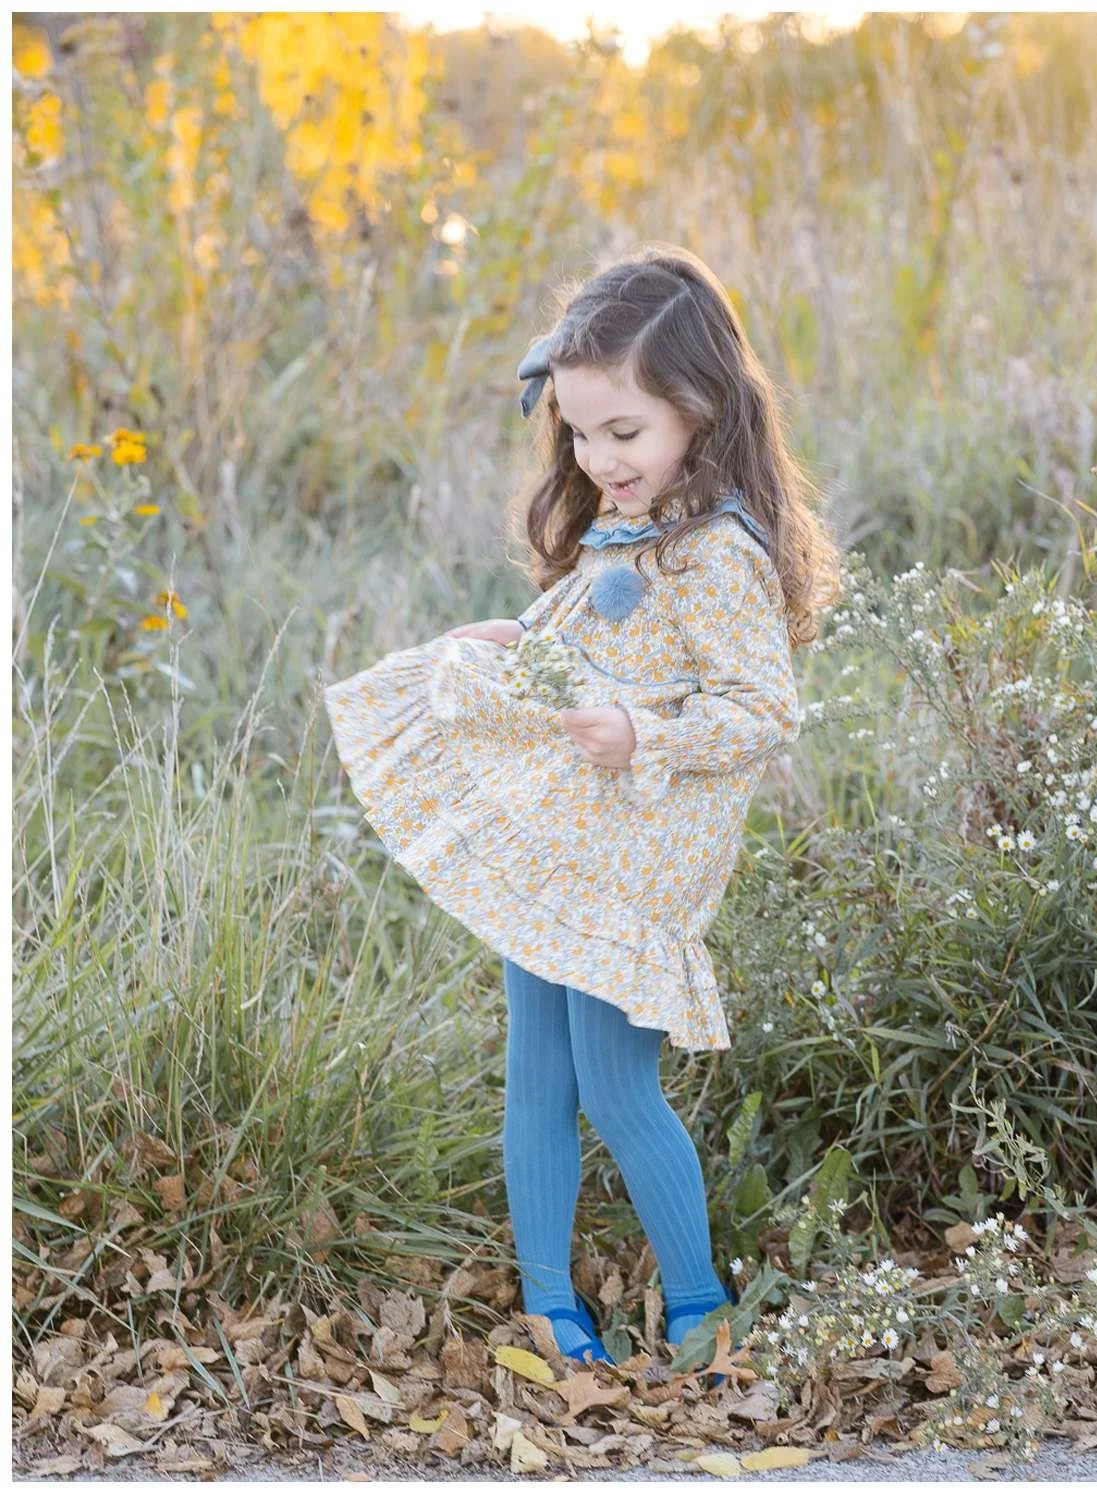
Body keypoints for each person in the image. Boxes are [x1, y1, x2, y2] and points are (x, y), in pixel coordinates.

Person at [324, 244, 841, 1377]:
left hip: (634, 866)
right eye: (578, 433)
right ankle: (553, 1306)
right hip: (559, 845)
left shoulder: (717, 556)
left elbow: (762, 710)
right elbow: (592, 638)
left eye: (625, 434)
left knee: (614, 1082)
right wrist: (524, 639)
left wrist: (645, 734)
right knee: (537, 1078)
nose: (599, 459)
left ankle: (700, 1307)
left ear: (699, 413)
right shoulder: (628, 527)